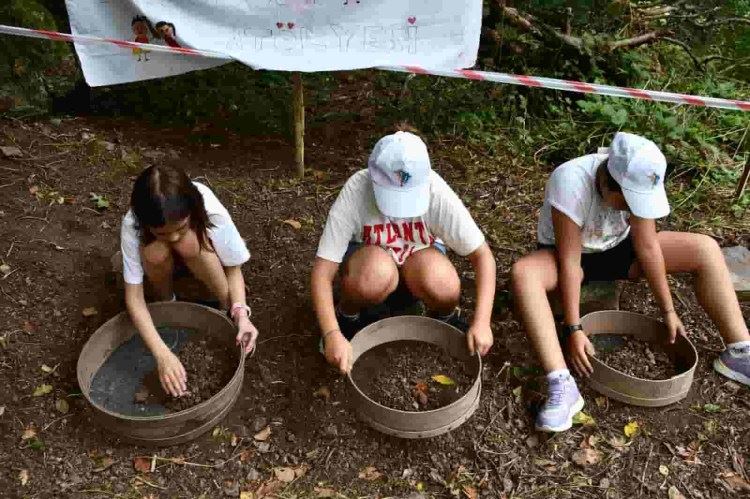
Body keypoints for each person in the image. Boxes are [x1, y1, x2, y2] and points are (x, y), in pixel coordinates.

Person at [511, 132, 750, 432]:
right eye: (625, 202)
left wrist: (669, 312)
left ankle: (739, 351)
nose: (630, 209)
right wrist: (574, 328)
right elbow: (570, 262)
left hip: (620, 250)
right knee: (523, 274)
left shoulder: (639, 182)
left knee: (705, 248)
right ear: (608, 182)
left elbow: (648, 247)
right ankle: (561, 383)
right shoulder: (570, 179)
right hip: (567, 255)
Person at [311, 130, 497, 374]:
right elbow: (322, 272)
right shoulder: (357, 189)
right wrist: (331, 332)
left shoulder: (435, 190)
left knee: (442, 282)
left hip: (419, 266)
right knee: (373, 273)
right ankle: (348, 318)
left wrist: (482, 321)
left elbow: (482, 256)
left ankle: (444, 319)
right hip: (369, 267)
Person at [121, 165, 259, 397]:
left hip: (203, 257)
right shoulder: (132, 224)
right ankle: (169, 305)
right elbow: (134, 297)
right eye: (162, 233)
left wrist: (241, 314)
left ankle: (223, 309)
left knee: (188, 243)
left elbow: (234, 269)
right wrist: (162, 354)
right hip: (161, 265)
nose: (173, 236)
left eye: (181, 228)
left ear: (193, 210)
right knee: (155, 252)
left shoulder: (210, 209)